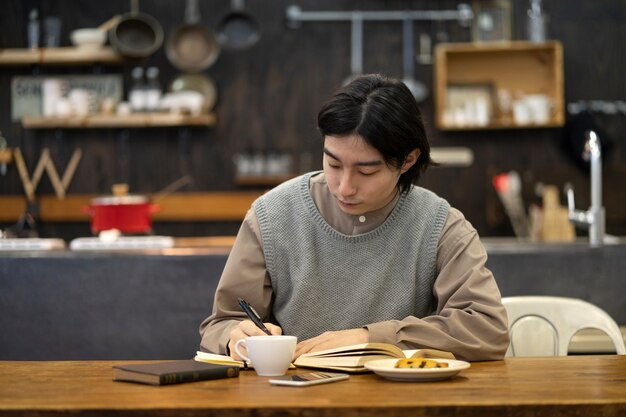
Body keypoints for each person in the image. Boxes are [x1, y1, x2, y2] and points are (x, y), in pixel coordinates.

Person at [199, 74, 509, 361]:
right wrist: (233, 336)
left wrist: (371, 339)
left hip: (403, 402)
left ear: (408, 160)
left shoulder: (440, 225)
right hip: (296, 399)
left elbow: (487, 328)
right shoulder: (272, 215)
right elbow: (222, 324)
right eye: (333, 164)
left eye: (366, 171)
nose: (344, 188)